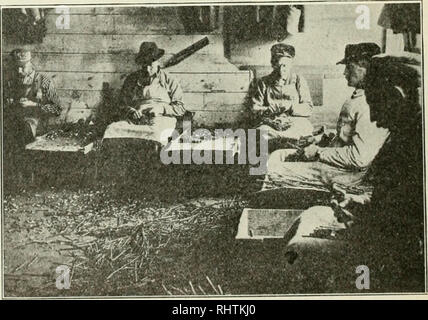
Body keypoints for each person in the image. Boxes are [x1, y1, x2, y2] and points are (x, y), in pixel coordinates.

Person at [281, 53, 424, 293]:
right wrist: (356, 202)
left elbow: (408, 226)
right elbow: (392, 202)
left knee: (298, 249)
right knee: (312, 216)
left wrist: (365, 221)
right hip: (386, 232)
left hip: (403, 257)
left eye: (377, 101)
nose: (375, 113)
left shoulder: (416, 147)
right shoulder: (402, 137)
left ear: (399, 95)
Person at [262, 43, 389, 193]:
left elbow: (358, 158)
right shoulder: (361, 97)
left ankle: (271, 202)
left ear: (366, 68)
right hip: (337, 163)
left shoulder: (369, 104)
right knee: (278, 155)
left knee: (272, 168)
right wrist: (319, 139)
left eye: (349, 67)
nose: (345, 73)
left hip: (344, 174)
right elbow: (346, 136)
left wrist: (318, 152)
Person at [103, 42, 186, 145]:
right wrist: (131, 111)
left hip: (161, 119)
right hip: (136, 120)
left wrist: (162, 109)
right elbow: (121, 104)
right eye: (144, 64)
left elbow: (180, 108)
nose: (147, 69)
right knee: (111, 130)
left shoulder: (169, 80)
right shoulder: (132, 79)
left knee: (155, 134)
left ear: (157, 61)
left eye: (150, 64)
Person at [4, 48, 63, 185]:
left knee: (23, 129)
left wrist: (35, 105)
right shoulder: (9, 82)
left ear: (31, 64)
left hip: (36, 125)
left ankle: (24, 178)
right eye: (16, 68)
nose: (19, 72)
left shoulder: (43, 81)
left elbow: (57, 109)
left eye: (22, 67)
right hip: (13, 122)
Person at [250, 43, 314, 144]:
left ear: (291, 64)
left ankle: (284, 140)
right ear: (272, 64)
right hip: (271, 123)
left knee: (306, 128)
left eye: (285, 66)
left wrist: (290, 106)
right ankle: (289, 141)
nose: (281, 70)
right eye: (278, 66)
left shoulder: (298, 80)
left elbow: (309, 108)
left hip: (294, 121)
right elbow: (254, 109)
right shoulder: (263, 82)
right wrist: (267, 110)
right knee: (259, 133)